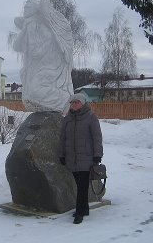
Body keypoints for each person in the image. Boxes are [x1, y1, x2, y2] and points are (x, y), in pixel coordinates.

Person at [12, 0, 74, 112]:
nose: (25, 9)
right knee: (29, 93)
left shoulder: (45, 30)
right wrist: (26, 28)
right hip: (35, 68)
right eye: (24, 7)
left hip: (50, 68)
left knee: (35, 91)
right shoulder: (30, 25)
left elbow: (36, 52)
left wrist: (29, 27)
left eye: (28, 7)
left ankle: (65, 99)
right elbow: (16, 46)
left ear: (35, 10)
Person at [59, 93, 103, 224]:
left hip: (86, 158)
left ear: (83, 103)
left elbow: (97, 138)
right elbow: (62, 139)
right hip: (72, 158)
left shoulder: (91, 117)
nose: (73, 104)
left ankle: (79, 212)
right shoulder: (67, 119)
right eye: (72, 102)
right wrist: (61, 155)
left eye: (76, 102)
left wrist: (97, 155)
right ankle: (84, 209)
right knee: (80, 185)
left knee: (82, 187)